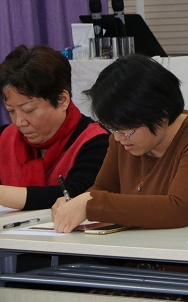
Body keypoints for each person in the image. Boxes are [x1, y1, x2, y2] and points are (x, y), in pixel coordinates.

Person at [51, 54, 188, 232]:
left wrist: (90, 203)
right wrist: (74, 204)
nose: (117, 138)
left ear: (161, 116)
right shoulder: (122, 140)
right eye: (112, 128)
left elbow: (177, 209)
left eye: (125, 130)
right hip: (137, 249)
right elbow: (101, 189)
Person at [0, 45, 108, 210]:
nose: (19, 122)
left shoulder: (97, 142)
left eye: (29, 110)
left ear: (61, 100)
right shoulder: (4, 138)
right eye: (11, 111)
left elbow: (75, 195)